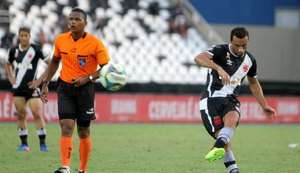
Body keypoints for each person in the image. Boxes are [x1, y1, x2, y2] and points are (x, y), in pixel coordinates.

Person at [194, 27, 276, 173]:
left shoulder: (250, 60)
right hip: (211, 100)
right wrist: (218, 68)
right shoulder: (219, 50)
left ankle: (216, 147)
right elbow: (198, 58)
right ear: (231, 41)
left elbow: (253, 83)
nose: (240, 49)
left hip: (230, 100)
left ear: (248, 41)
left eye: (244, 45)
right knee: (225, 141)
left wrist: (264, 105)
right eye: (237, 45)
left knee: (233, 117)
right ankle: (229, 164)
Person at [40, 8, 110, 173]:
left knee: (83, 131)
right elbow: (55, 61)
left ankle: (82, 170)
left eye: (77, 19)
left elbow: (106, 68)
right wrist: (45, 82)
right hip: (64, 87)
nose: (72, 22)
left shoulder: (95, 43)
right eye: (70, 19)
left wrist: (88, 78)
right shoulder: (61, 40)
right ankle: (65, 167)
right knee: (66, 126)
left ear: (85, 23)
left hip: (85, 89)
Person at [4, 26, 50, 152]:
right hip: (18, 88)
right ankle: (24, 144)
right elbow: (7, 63)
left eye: (26, 35)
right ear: (18, 36)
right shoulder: (14, 50)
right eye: (21, 35)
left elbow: (50, 64)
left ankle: (42, 144)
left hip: (32, 88)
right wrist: (10, 77)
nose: (23, 38)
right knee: (21, 115)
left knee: (37, 113)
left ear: (29, 36)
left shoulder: (36, 49)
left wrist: (39, 81)